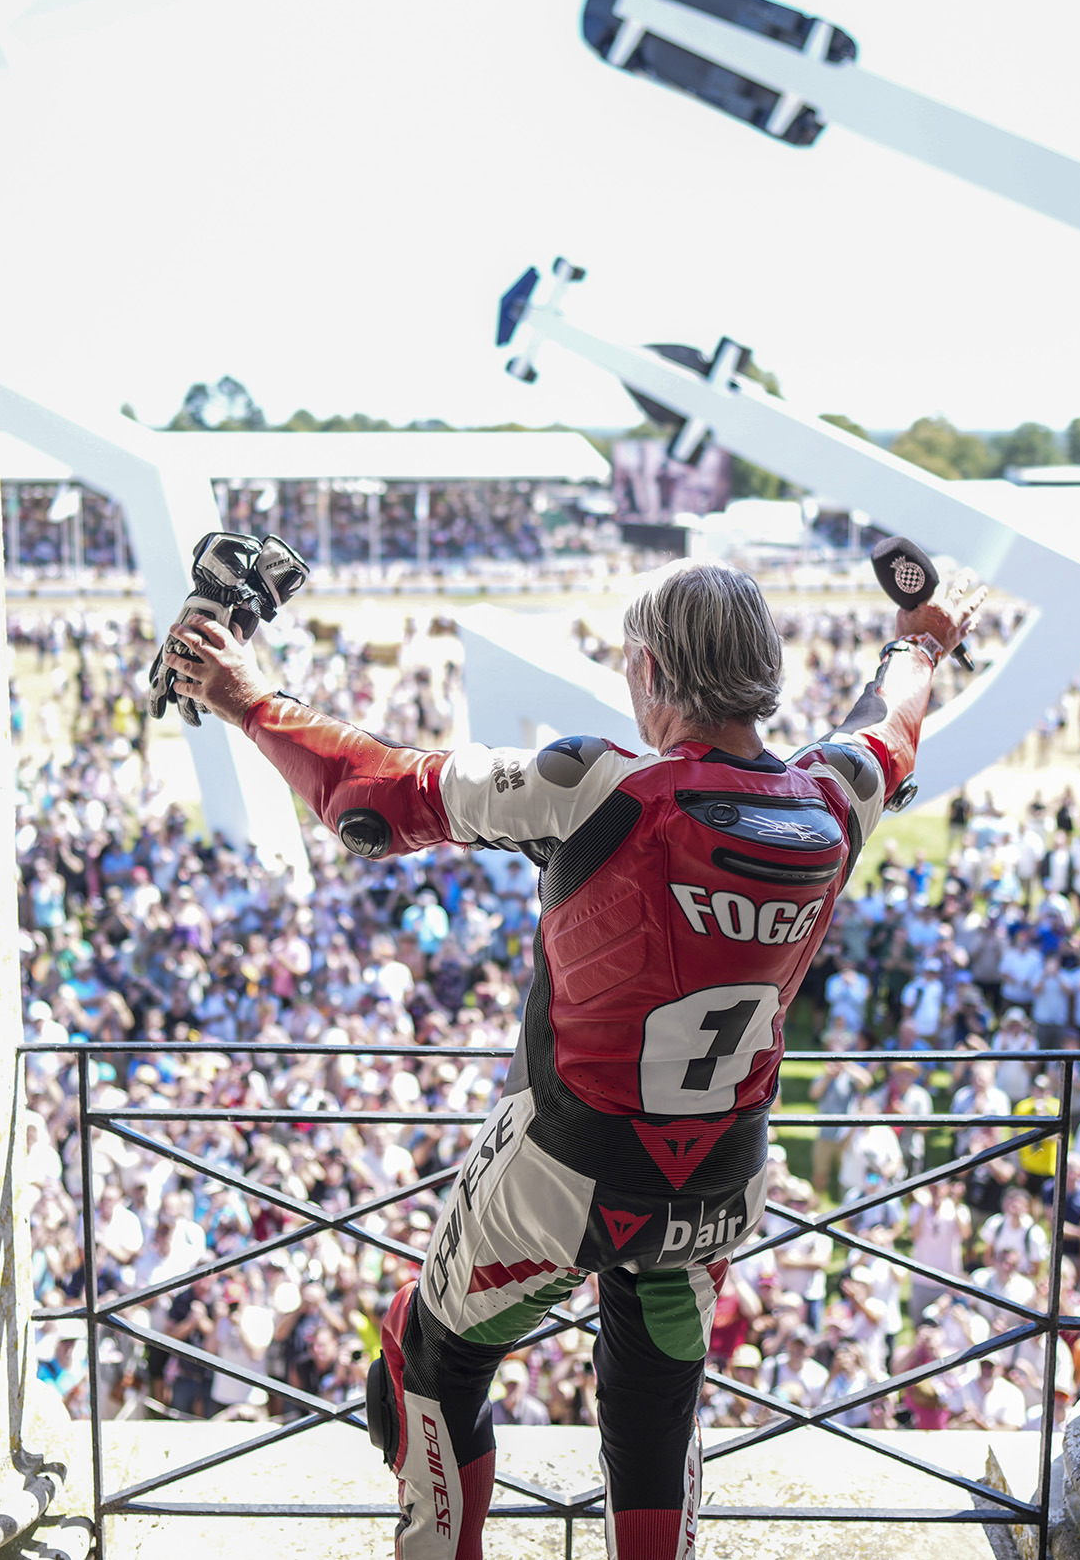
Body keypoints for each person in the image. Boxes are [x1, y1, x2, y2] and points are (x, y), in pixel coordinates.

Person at [167, 558, 978, 1560]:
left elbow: (372, 797)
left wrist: (247, 695)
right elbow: (888, 721)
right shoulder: (835, 793)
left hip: (563, 1168)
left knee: (427, 1356)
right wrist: (923, 637)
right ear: (763, 669)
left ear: (649, 671)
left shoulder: (598, 782)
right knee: (653, 1415)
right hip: (720, 1176)